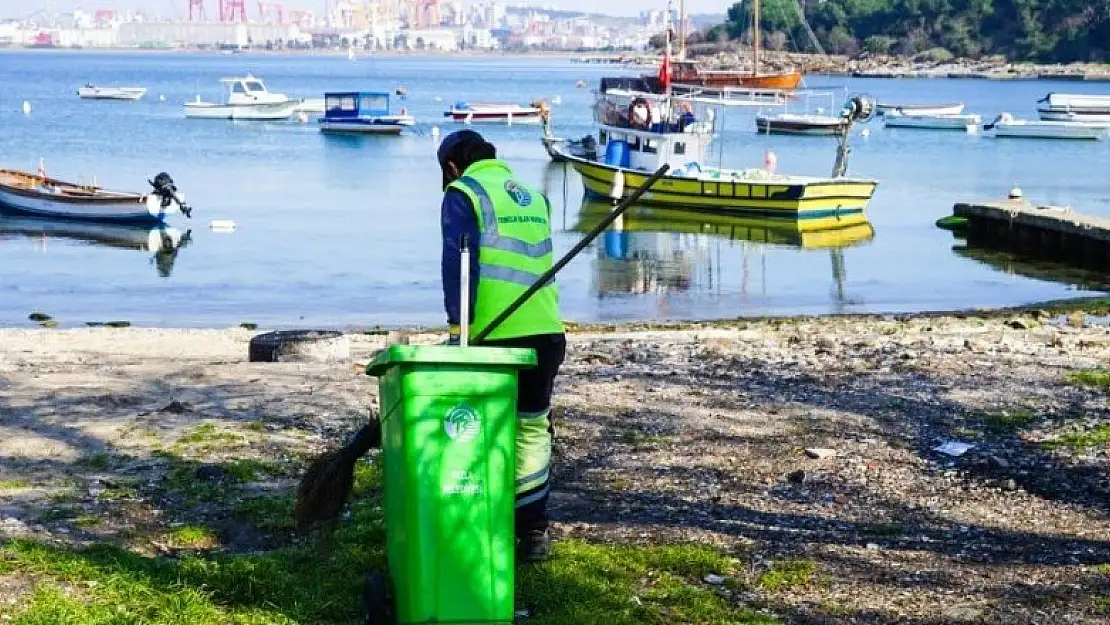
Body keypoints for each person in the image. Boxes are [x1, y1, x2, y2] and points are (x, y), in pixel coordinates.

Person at [437, 129, 566, 563]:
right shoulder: (532, 195)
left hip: (495, 335)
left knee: (475, 424)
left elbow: (459, 264)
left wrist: (459, 330)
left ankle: (476, 517)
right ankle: (532, 532)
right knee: (531, 427)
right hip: (547, 331)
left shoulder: (463, 192)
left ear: (452, 166)